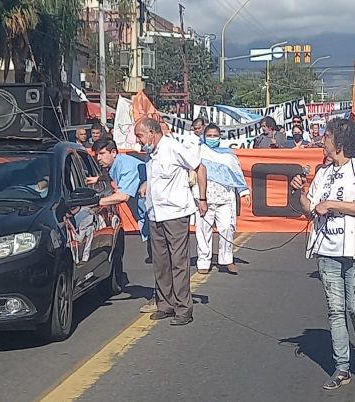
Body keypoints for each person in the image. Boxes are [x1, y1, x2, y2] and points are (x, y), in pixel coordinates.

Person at [290, 117, 355, 390]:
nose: (323, 140)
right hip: (326, 250)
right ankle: (342, 367)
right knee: (335, 310)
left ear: (339, 142)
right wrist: (299, 192)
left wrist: (331, 204)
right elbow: (309, 209)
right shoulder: (322, 173)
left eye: (327, 136)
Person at [135, 117, 208, 326]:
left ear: (151, 132)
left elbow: (200, 168)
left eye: (140, 135)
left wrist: (203, 199)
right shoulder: (151, 152)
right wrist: (146, 184)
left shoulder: (173, 146)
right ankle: (165, 304)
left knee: (178, 262)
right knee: (160, 262)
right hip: (155, 214)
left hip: (175, 213)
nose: (138, 140)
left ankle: (183, 308)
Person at [87, 139, 148, 292]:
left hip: (155, 214)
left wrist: (96, 201)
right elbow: (113, 175)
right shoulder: (115, 165)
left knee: (163, 260)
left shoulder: (126, 166)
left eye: (102, 154)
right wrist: (99, 178)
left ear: (114, 152)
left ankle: (165, 297)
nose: (98, 158)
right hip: (145, 214)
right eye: (97, 155)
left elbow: (123, 196)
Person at [193, 123, 251, 274]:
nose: (212, 138)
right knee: (203, 230)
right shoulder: (197, 150)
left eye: (215, 135)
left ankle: (227, 259)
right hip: (204, 198)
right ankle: (204, 261)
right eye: (209, 135)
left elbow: (237, 173)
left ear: (220, 137)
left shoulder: (228, 154)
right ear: (204, 136)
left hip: (224, 198)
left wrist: (243, 191)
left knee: (227, 228)